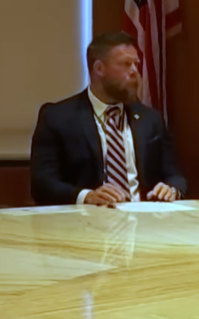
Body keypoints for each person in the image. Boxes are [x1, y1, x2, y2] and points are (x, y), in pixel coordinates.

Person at [30, 32, 187, 206]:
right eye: (126, 64)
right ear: (99, 69)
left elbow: (175, 175)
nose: (135, 71)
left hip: (145, 221)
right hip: (86, 223)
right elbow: (42, 185)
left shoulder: (150, 119)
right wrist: (86, 196)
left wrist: (172, 188)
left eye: (136, 64)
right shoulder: (58, 117)